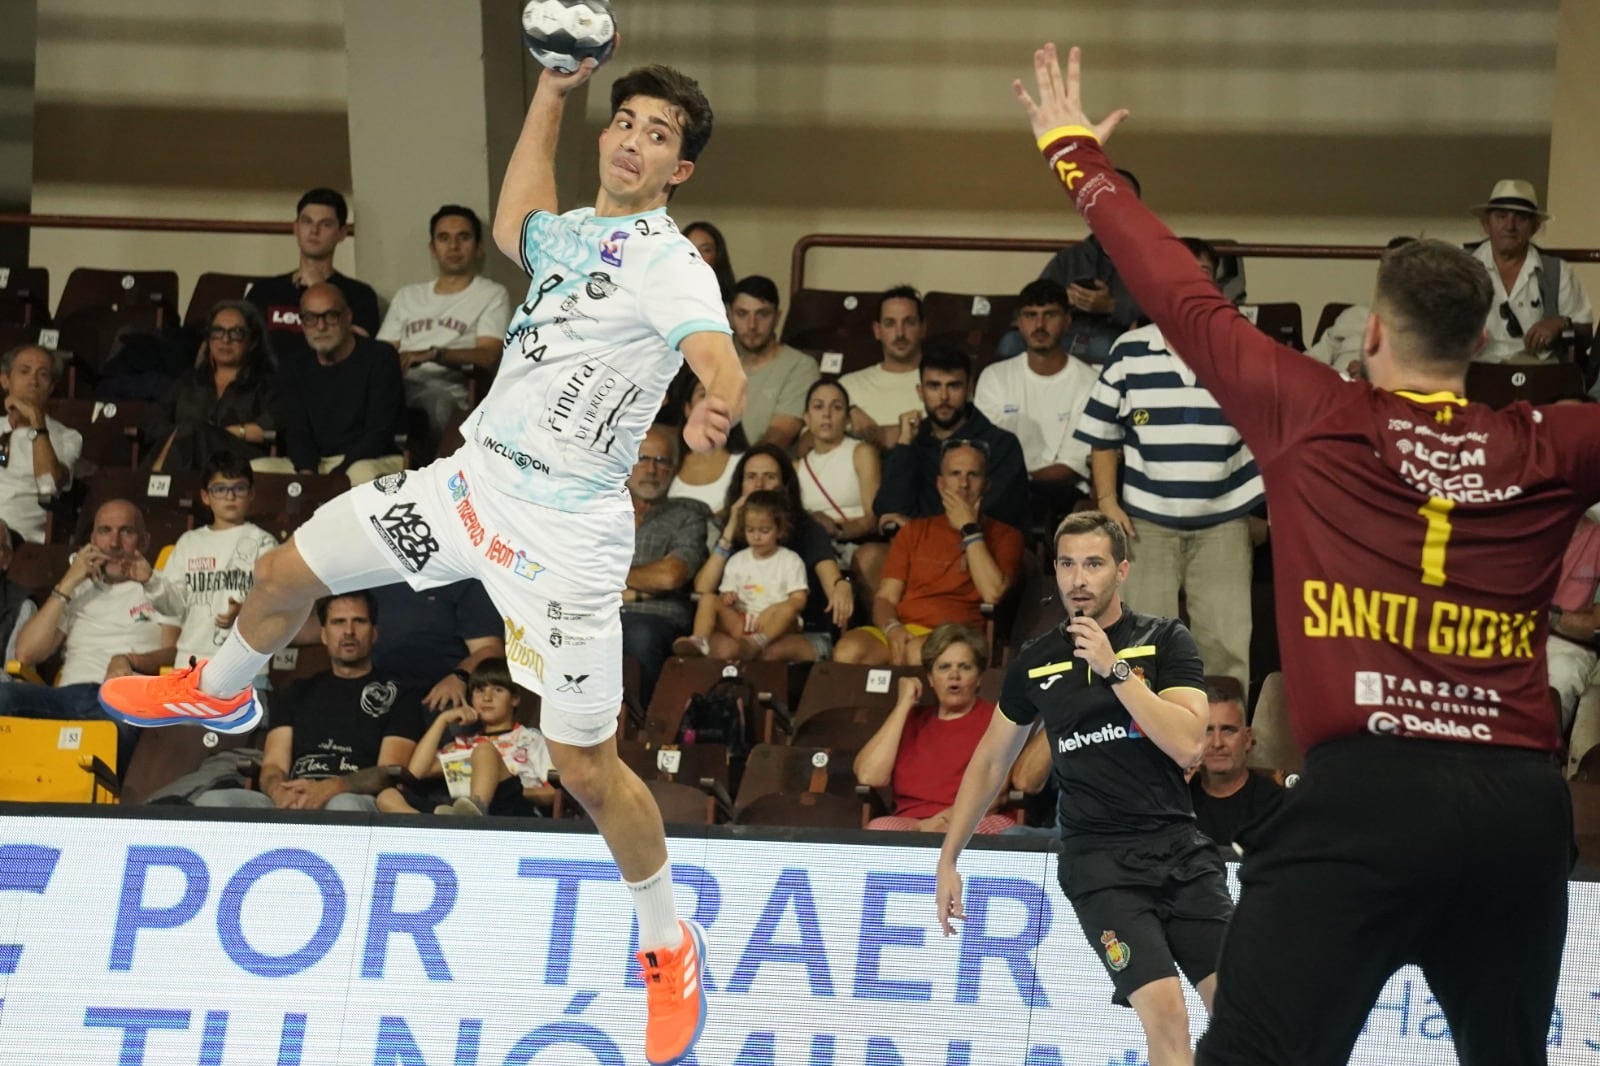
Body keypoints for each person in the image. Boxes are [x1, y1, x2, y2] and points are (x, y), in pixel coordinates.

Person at [101, 53, 741, 1066]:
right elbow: (515, 215)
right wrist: (553, 90)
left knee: (584, 765)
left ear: (680, 170)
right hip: (468, 489)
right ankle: (220, 692)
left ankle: (668, 943)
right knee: (282, 575)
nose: (634, 141)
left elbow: (717, 359)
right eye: (626, 121)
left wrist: (713, 407)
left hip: (565, 536)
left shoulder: (672, 263)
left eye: (659, 134)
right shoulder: (574, 233)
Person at [1012, 44, 1581, 1064]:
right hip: (1516, 812)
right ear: (1481, 344)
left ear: (1373, 335)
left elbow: (1179, 295)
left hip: (1363, 802)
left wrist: (1076, 158)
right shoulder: (1553, 442)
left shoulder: (1316, 412)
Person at [935, 511, 1224, 1066]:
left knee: (1240, 1010)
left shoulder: (1164, 640)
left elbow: (1189, 744)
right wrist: (950, 856)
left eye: (1093, 564)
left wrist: (1115, 670)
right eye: (1067, 565)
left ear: (1122, 570)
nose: (1078, 579)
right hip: (1100, 865)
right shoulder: (1036, 660)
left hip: (1180, 852)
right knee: (1168, 1016)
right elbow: (991, 760)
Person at [1076, 239, 1264, 696]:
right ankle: (1144, 735)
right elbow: (1103, 434)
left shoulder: (1243, 346)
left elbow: (1273, 429)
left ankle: (1224, 736)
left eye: (1203, 271)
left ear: (1216, 283)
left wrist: (1263, 509)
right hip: (1146, 524)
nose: (1192, 279)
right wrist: (1107, 501)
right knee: (1142, 647)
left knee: (1226, 647)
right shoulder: (1129, 350)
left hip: (1224, 522)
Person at [192, 591, 424, 812]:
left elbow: (387, 771)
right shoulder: (297, 691)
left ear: (374, 633)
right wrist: (279, 792)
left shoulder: (400, 695)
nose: (349, 631)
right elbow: (274, 765)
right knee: (213, 801)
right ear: (323, 634)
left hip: (355, 799)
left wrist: (330, 788)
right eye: (338, 622)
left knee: (342, 805)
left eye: (359, 621)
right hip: (294, 797)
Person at [834, 441, 1023, 667]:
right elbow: (886, 598)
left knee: (918, 652)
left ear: (986, 485)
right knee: (847, 651)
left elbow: (993, 593)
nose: (963, 484)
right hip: (905, 629)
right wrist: (892, 628)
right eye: (955, 474)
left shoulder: (1006, 535)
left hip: (960, 635)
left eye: (973, 475)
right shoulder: (914, 531)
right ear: (941, 484)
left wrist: (970, 530)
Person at [688, 445, 854, 664]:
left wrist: (841, 585)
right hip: (741, 626)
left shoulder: (808, 529)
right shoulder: (731, 531)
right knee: (720, 650)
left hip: (800, 632)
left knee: (766, 654)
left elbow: (831, 582)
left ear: (785, 485)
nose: (759, 484)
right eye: (751, 477)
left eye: (769, 477)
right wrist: (731, 528)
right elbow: (703, 589)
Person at [854, 623, 1014, 834]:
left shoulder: (998, 719)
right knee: (880, 828)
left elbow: (994, 792)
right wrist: (903, 705)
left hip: (977, 818)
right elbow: (869, 776)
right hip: (912, 822)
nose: (954, 675)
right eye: (944, 667)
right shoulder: (911, 720)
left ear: (979, 678)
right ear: (930, 678)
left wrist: (937, 823)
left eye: (965, 667)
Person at [377, 204, 512, 442]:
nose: (453, 246)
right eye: (444, 238)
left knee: (434, 403)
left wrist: (435, 355)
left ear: (479, 247)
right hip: (398, 383)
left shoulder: (491, 294)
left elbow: (489, 355)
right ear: (432, 248)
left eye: (463, 237)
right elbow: (381, 352)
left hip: (448, 389)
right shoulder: (408, 296)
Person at [973, 278, 1100, 525]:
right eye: (1030, 315)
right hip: (999, 488)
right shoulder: (995, 377)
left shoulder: (1090, 382)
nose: (1039, 325)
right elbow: (984, 449)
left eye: (1050, 315)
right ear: (1018, 322)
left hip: (1059, 494)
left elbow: (1070, 467)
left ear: (1067, 321)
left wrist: (1019, 480)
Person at [252, 284, 406, 485]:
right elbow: (297, 431)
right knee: (253, 471)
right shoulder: (293, 366)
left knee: (360, 474)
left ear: (348, 317)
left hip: (370, 459)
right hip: (317, 465)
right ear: (302, 323)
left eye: (331, 316)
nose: (321, 326)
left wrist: (335, 477)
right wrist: (307, 473)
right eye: (310, 318)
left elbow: (379, 432)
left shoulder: (380, 357)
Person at [152, 456, 280, 688]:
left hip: (245, 671)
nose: (230, 496)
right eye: (220, 489)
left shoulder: (264, 543)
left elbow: (275, 604)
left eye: (239, 488)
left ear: (251, 493)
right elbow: (171, 608)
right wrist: (148, 581)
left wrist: (246, 611)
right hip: (190, 669)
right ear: (205, 496)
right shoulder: (189, 542)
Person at [873, 346, 1030, 533]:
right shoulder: (912, 443)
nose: (944, 397)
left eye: (954, 386)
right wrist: (905, 443)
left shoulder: (1001, 445)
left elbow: (989, 516)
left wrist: (917, 530)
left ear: (969, 389)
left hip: (981, 544)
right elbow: (887, 512)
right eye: (934, 386)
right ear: (920, 391)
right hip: (917, 544)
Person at [376, 656, 555, 817]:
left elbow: (554, 794)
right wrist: (442, 721)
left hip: (512, 810)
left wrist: (503, 788)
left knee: (484, 750)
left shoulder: (532, 739)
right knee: (387, 796)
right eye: (479, 690)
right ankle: (437, 830)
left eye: (498, 690)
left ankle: (473, 813)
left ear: (514, 699)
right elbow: (416, 772)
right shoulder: (463, 743)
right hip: (458, 812)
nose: (487, 697)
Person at [621, 424, 710, 706]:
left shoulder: (688, 516)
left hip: (657, 619)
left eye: (661, 461)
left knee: (640, 634)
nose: (651, 470)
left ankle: (642, 721)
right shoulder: (599, 511)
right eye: (642, 459)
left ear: (674, 469)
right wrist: (640, 587)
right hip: (596, 613)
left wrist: (607, 575)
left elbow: (671, 576)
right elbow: (576, 568)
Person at [1467, 179, 1593, 364]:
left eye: (1521, 218)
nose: (1510, 226)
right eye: (1501, 216)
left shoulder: (1558, 271)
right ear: (1486, 224)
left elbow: (1586, 335)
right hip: (1473, 370)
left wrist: (1560, 323)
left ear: (1534, 228)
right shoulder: (1461, 268)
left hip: (1539, 373)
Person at [673, 489, 807, 661]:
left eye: (764, 531)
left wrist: (775, 608)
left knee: (788, 609)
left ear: (780, 530)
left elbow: (799, 600)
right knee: (707, 599)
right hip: (742, 621)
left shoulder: (790, 560)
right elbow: (724, 596)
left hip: (774, 625)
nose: (756, 537)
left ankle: (759, 641)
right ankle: (699, 640)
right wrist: (727, 597)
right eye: (750, 530)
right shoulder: (737, 560)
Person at [145, 301, 277, 472]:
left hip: (239, 461)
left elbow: (271, 428)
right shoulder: (189, 381)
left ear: (253, 341)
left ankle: (154, 485)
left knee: (194, 430)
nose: (225, 340)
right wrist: (181, 433)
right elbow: (153, 422)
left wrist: (213, 433)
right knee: (188, 431)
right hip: (186, 458)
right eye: (217, 331)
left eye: (236, 332)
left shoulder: (267, 383)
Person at [1036, 168, 1146, 364]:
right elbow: (1036, 299)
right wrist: (1062, 300)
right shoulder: (1070, 257)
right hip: (1065, 333)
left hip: (1117, 335)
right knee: (1012, 342)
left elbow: (1164, 309)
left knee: (1103, 345)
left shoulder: (1152, 257)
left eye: (1120, 199)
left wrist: (1111, 306)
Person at [247, 187, 381, 342]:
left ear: (342, 233)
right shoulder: (263, 291)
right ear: (296, 228)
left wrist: (320, 288)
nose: (314, 230)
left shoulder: (360, 295)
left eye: (326, 224)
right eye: (307, 221)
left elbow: (360, 349)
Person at [0, 344, 82, 544]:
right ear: (5, 380)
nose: (33, 381)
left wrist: (37, 421)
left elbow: (48, 485)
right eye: (24, 371)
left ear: (51, 387)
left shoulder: (68, 437)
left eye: (43, 374)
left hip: (19, 541)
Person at [726, 275, 820, 449]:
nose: (752, 325)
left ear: (777, 317)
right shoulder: (722, 368)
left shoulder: (801, 366)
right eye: (742, 314)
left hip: (764, 463)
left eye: (762, 314)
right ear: (730, 317)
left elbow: (780, 435)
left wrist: (741, 464)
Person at [796, 378, 880, 569]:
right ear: (806, 417)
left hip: (854, 545)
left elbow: (872, 519)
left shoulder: (861, 452)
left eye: (836, 407)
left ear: (848, 418)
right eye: (818, 407)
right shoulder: (797, 467)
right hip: (813, 549)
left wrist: (835, 529)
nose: (827, 414)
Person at [1188, 687, 1283, 852]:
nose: (1217, 743)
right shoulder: (1179, 801)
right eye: (1207, 731)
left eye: (1228, 730)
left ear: (1247, 739)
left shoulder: (1276, 804)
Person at [838, 286, 925, 447]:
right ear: (877, 330)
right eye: (890, 323)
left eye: (909, 322)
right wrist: (845, 418)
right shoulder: (848, 386)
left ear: (923, 328)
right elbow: (806, 445)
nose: (900, 333)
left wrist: (875, 435)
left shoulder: (942, 384)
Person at [683, 220, 735, 302]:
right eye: (690, 248)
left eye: (705, 250)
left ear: (718, 255)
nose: (697, 255)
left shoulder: (733, 301)